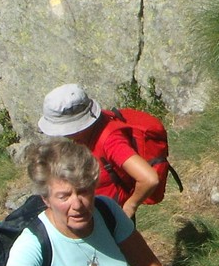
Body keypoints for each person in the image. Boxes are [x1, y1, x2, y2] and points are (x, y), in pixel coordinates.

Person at [0, 139, 194, 266]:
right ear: (46, 199)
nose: (77, 204)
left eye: (83, 191)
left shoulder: (107, 212)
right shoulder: (33, 243)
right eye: (64, 196)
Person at [38, 85, 160, 221]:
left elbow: (149, 179)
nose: (63, 134)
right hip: (94, 210)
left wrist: (130, 207)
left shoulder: (111, 141)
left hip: (111, 215)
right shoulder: (91, 130)